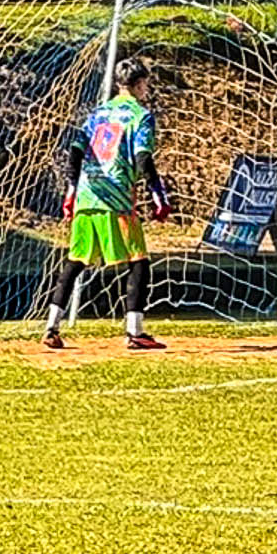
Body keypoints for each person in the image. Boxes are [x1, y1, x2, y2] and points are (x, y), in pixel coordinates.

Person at [40, 57, 173, 351]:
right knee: (138, 262)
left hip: (86, 198)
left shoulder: (97, 114)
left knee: (76, 262)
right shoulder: (141, 115)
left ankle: (52, 326)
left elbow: (75, 152)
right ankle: (135, 331)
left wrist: (71, 190)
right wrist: (157, 193)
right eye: (145, 84)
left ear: (117, 83)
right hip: (116, 201)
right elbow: (142, 157)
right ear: (139, 84)